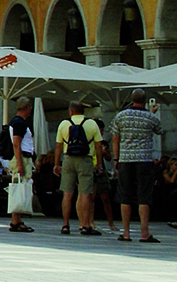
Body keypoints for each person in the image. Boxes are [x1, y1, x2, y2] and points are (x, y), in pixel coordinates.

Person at [111, 88, 164, 244]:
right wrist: (152, 113)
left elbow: (115, 139)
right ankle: (144, 233)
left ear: (131, 99)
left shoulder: (120, 116)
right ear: (145, 100)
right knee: (144, 197)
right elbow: (159, 131)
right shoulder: (150, 117)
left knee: (125, 196)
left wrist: (116, 158)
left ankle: (126, 233)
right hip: (144, 160)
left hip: (125, 159)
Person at [54, 100, 106, 236]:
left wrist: (56, 163)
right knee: (85, 193)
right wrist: (99, 163)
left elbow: (58, 146)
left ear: (71, 111)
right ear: (84, 111)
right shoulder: (91, 124)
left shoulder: (64, 124)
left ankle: (65, 224)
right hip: (86, 159)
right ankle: (85, 225)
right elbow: (99, 146)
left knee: (67, 193)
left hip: (68, 159)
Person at [3, 98, 36, 233]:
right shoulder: (20, 123)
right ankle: (15, 220)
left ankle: (17, 219)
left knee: (20, 187)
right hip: (21, 158)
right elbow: (17, 143)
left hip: (20, 157)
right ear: (28, 107)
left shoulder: (15, 122)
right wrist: (20, 163)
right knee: (20, 187)